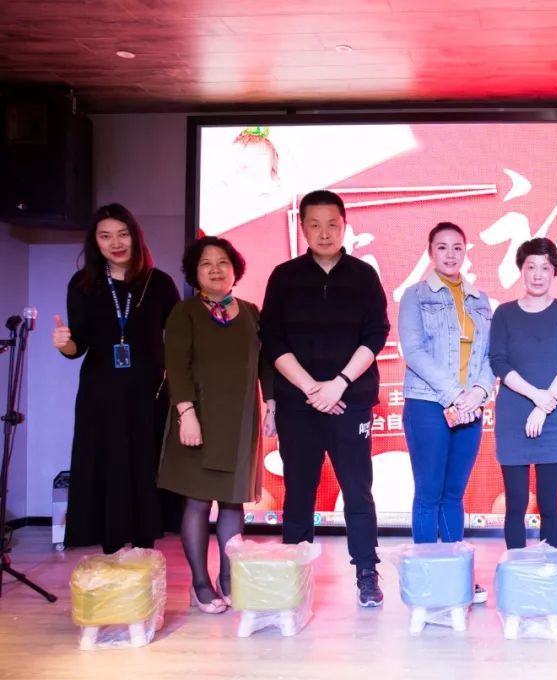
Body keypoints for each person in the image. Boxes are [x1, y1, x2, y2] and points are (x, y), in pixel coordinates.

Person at [259, 190, 390, 608]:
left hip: (349, 401)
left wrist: (339, 384)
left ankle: (366, 571)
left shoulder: (363, 276)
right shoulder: (284, 276)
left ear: (344, 225)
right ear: (302, 228)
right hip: (298, 404)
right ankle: (293, 577)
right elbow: (272, 340)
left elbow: (376, 334)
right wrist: (313, 389)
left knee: (358, 490)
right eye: (314, 225)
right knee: (299, 490)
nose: (324, 232)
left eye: (332, 224)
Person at [53, 203, 180, 554]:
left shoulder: (159, 283)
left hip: (149, 396)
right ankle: (111, 554)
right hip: (101, 397)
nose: (116, 243)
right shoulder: (84, 284)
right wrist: (64, 344)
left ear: (135, 237)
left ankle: (144, 552)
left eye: (123, 234)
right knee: (107, 468)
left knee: (145, 469)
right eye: (105, 236)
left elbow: (180, 337)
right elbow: (77, 346)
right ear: (95, 242)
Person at [158, 237, 274, 613]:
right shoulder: (185, 312)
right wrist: (186, 414)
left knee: (232, 502)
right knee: (196, 502)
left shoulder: (252, 313)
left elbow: (266, 363)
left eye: (222, 262)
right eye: (206, 263)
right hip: (198, 420)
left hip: (240, 422)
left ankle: (228, 578)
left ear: (235, 269)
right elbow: (177, 366)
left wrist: (271, 405)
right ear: (194, 273)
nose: (215, 269)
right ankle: (200, 584)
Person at [398, 221, 495, 603]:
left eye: (457, 247)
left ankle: (457, 577)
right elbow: (414, 351)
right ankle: (426, 580)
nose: (450, 254)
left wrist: (479, 392)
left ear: (465, 251)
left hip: (470, 408)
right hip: (428, 404)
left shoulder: (480, 300)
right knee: (429, 493)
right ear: (430, 252)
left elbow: (490, 356)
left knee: (454, 495)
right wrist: (456, 394)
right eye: (442, 247)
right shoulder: (415, 296)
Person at [489, 237, 557, 550]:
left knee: (548, 504)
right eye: (531, 267)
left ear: (555, 271)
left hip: (553, 417)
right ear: (521, 270)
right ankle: (517, 571)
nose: (538, 274)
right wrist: (535, 397)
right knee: (516, 504)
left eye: (545, 267)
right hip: (513, 415)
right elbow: (499, 362)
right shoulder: (504, 313)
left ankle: (548, 571)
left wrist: (544, 406)